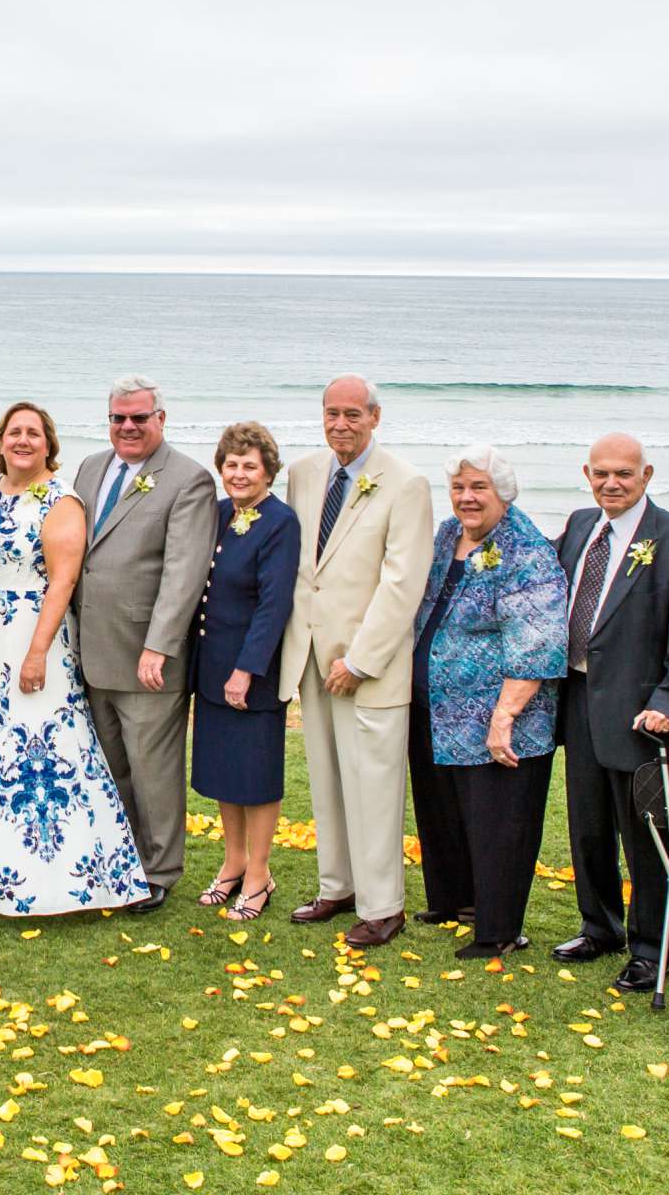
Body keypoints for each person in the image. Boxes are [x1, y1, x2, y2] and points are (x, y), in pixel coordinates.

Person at [0, 402, 148, 915]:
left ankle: (65, 874)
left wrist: (36, 653)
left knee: (47, 743)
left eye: (34, 433)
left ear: (48, 443)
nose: (23, 441)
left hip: (38, 635)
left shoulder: (60, 499)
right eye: (15, 432)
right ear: (0, 440)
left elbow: (63, 580)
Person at [552, 433, 669, 991]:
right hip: (578, 700)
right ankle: (599, 926)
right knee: (589, 827)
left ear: (647, 475)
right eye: (601, 474)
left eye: (623, 474)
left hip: (645, 713)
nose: (611, 483)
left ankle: (651, 947)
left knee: (646, 837)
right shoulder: (579, 526)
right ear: (587, 473)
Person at [278, 374, 432, 943]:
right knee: (325, 780)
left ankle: (383, 905)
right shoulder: (304, 473)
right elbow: (303, 569)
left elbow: (402, 582)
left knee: (373, 785)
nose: (340, 424)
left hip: (369, 667)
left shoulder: (406, 483)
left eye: (352, 414)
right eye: (331, 413)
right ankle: (336, 887)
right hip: (312, 658)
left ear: (374, 416)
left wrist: (360, 660)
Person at [408, 446, 569, 960]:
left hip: (497, 715)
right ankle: (453, 901)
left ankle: (498, 928)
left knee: (498, 821)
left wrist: (504, 716)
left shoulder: (525, 550)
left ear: (503, 492)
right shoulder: (447, 535)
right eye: (458, 487)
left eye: (478, 487)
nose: (467, 497)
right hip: (438, 707)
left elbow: (539, 641)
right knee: (444, 810)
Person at [70, 376, 218, 913]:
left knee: (153, 770)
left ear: (161, 419)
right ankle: (120, 858)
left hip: (145, 656)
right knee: (111, 766)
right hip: (90, 648)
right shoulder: (90, 468)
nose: (127, 427)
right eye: (118, 418)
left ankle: (159, 870)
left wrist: (160, 645)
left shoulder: (188, 479)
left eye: (138, 418)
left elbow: (185, 572)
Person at [187, 422, 299, 923]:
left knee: (255, 777)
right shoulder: (216, 514)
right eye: (231, 464)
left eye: (249, 465)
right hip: (210, 666)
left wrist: (246, 670)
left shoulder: (280, 522)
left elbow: (274, 604)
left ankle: (259, 873)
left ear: (268, 470)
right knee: (224, 776)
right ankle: (232, 863)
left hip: (252, 672)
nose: (239, 473)